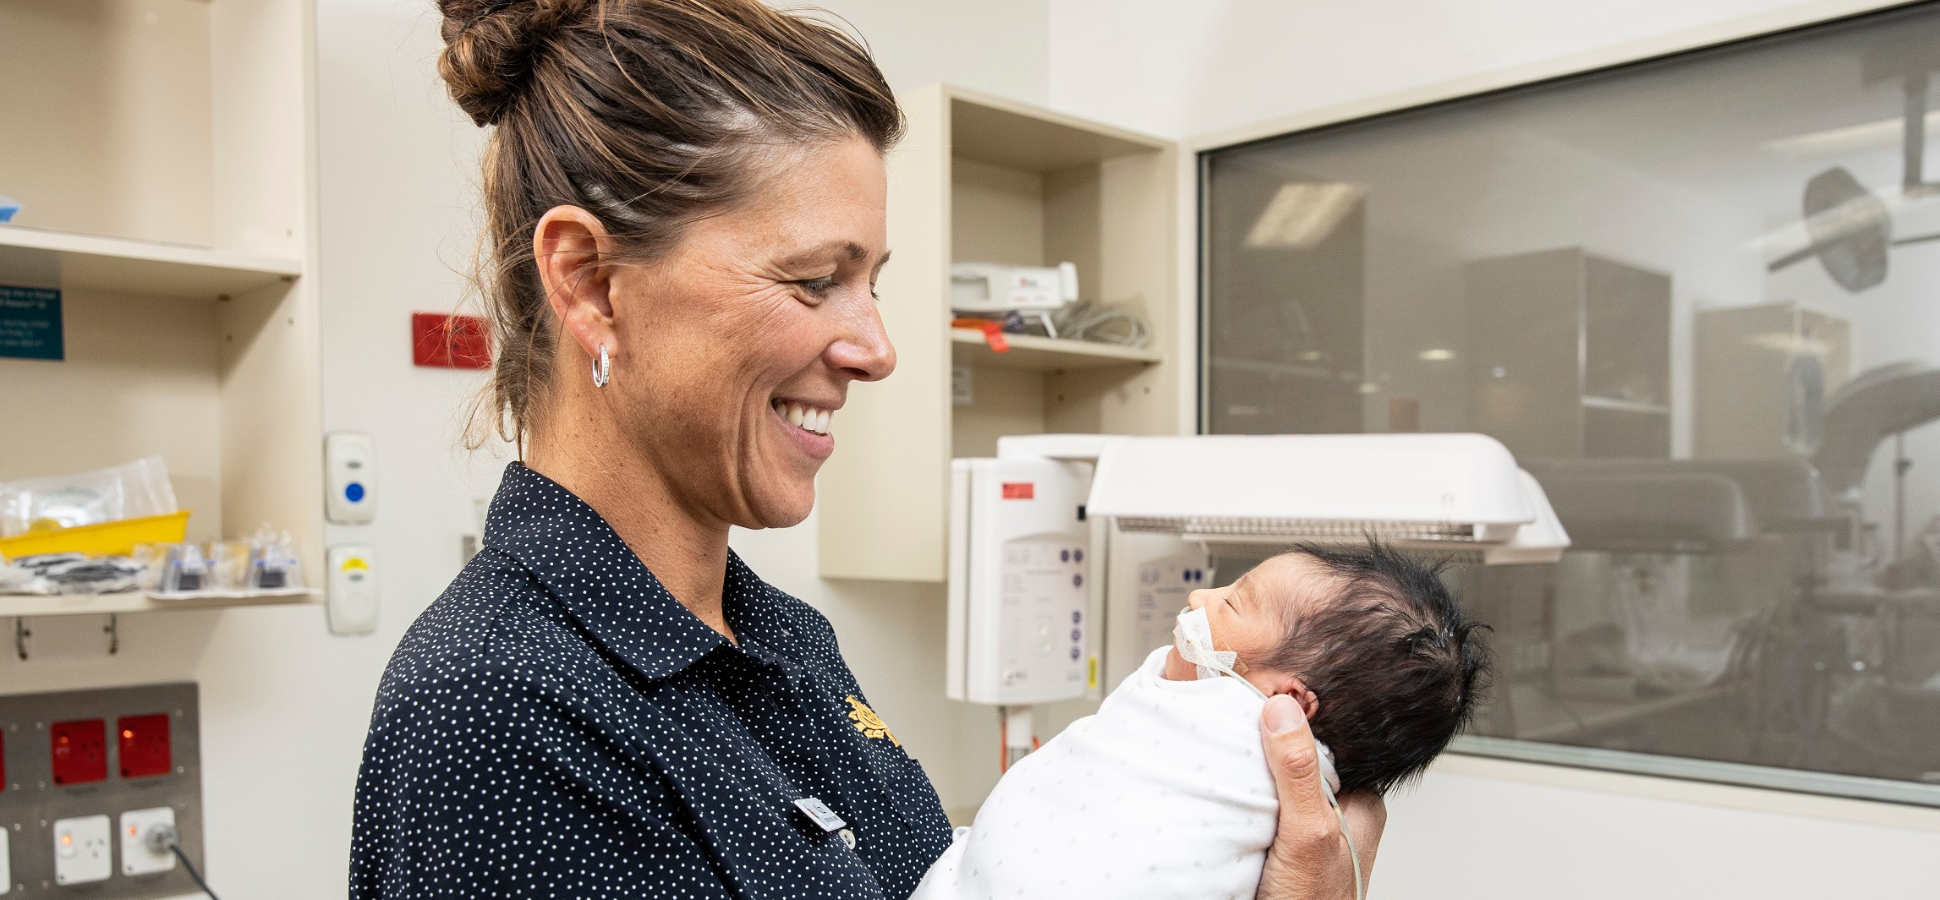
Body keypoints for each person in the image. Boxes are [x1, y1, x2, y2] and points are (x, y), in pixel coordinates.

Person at [349, 1, 1385, 897]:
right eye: (811, 279)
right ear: (588, 282)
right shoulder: (496, 712)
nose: (878, 350)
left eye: (872, 282)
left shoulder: (782, 642)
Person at [911, 543, 1487, 900]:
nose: (1198, 598)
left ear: (1287, 699)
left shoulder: (1241, 745)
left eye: (1233, 604)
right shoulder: (1178, 706)